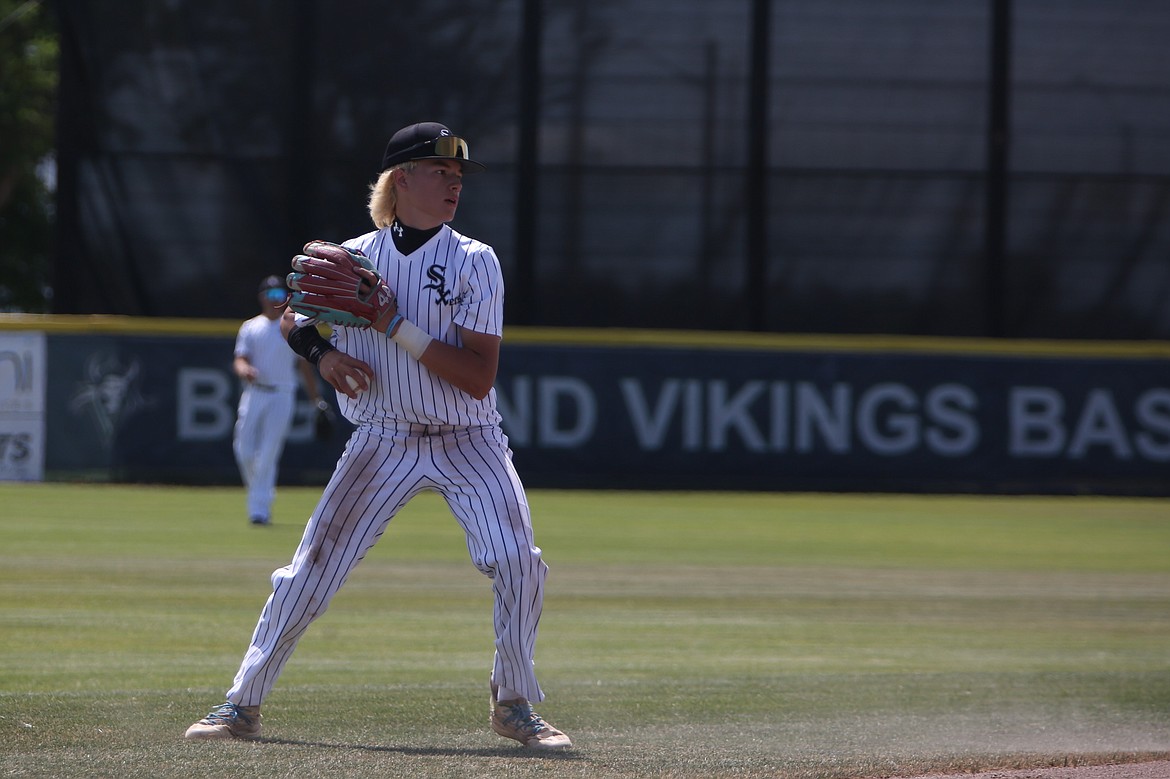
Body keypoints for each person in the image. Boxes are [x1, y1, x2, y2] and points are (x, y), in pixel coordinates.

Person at [185, 122, 572, 749]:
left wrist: (393, 324)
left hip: (467, 437)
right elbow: (294, 317)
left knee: (518, 563)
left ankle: (514, 702)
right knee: (310, 571)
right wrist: (323, 356)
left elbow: (477, 377)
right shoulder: (354, 255)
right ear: (402, 178)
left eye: (459, 176)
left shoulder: (475, 260)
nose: (454, 184)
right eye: (440, 172)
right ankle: (240, 704)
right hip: (383, 437)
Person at [231, 275, 326, 525]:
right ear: (262, 297)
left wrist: (316, 400)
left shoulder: (290, 326)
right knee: (244, 450)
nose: (275, 299)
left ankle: (259, 510)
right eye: (270, 295)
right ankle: (261, 491)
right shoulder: (251, 327)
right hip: (255, 392)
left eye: (279, 295)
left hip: (282, 393)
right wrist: (244, 370)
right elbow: (241, 358)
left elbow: (304, 366)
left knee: (269, 452)